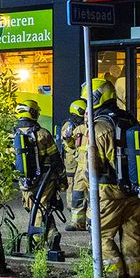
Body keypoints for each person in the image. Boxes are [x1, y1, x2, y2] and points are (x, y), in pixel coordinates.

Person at [81, 78, 140, 278]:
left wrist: (87, 202)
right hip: (134, 193)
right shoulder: (128, 118)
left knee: (102, 239)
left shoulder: (99, 127)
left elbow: (90, 169)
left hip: (108, 193)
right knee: (132, 238)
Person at [13, 98, 64, 241]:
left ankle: (48, 236)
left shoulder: (11, 135)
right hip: (46, 179)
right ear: (33, 113)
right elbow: (56, 159)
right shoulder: (43, 134)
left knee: (35, 208)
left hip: (24, 181)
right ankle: (41, 238)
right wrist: (62, 178)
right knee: (42, 207)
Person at [60, 98, 88, 230]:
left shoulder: (86, 125)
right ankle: (76, 218)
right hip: (74, 162)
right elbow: (70, 144)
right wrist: (68, 138)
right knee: (74, 189)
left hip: (84, 162)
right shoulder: (70, 125)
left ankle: (85, 221)